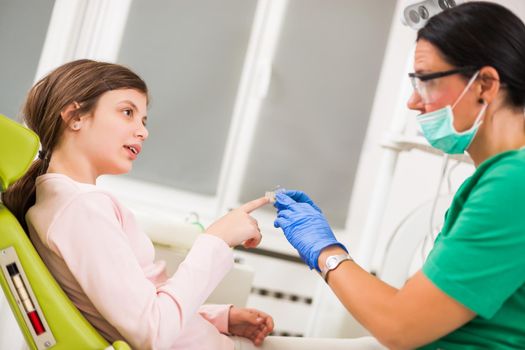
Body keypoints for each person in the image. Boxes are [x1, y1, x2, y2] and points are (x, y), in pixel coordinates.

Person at [272, 2, 525, 349]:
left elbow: (400, 326)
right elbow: (418, 314)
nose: (413, 102)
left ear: (484, 84)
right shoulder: (496, 179)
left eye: (424, 82)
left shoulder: (514, 183)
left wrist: (325, 251)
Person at [2, 59, 274, 350]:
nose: (143, 132)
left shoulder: (60, 204)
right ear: (74, 116)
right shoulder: (81, 208)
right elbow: (152, 332)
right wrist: (215, 240)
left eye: (143, 120)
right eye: (127, 112)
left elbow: (116, 311)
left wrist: (219, 317)